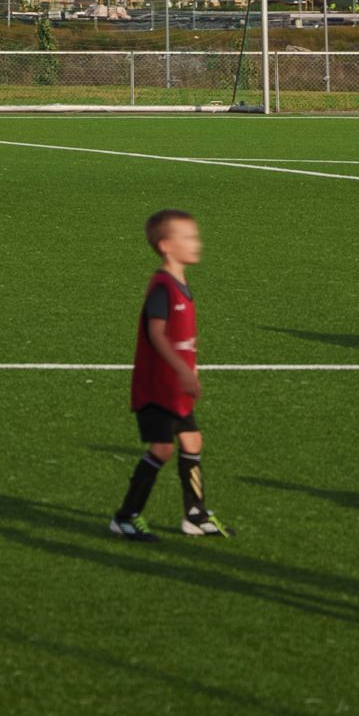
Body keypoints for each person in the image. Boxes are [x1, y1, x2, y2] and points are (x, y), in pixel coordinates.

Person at [110, 210, 233, 540]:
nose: (197, 243)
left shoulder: (180, 284)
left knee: (193, 441)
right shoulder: (163, 287)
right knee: (162, 448)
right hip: (158, 386)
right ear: (166, 246)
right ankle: (125, 517)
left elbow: (183, 335)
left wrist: (190, 368)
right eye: (188, 238)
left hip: (175, 386)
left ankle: (195, 515)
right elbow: (156, 333)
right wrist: (181, 369)